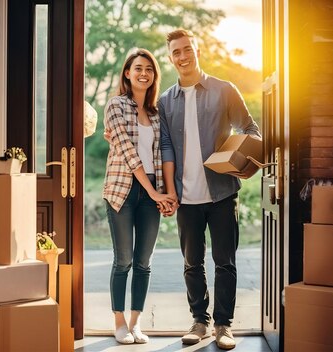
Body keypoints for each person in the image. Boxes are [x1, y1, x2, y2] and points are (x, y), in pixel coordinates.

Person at [158, 29, 261, 350]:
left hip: (221, 193)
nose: (183, 56)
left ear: (196, 50)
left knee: (225, 261)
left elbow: (250, 128)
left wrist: (242, 163)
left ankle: (223, 325)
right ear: (171, 57)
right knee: (192, 263)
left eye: (187, 49)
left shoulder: (223, 90)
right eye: (176, 52)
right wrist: (168, 188)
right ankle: (199, 321)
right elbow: (164, 147)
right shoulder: (165, 101)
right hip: (185, 197)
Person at [102, 48, 177, 345]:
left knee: (143, 261)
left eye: (149, 69)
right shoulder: (115, 105)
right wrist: (154, 192)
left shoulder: (158, 115)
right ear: (127, 73)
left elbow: (164, 154)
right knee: (123, 260)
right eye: (138, 68)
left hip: (152, 194)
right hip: (123, 191)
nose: (143, 73)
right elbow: (129, 153)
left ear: (153, 75)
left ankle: (135, 322)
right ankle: (118, 322)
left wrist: (167, 195)